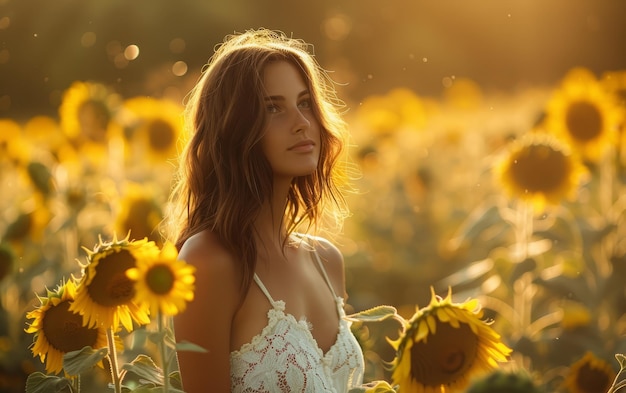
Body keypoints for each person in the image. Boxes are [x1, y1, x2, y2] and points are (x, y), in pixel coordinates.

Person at [166, 28, 365, 392]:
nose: (301, 122)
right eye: (273, 108)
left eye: (304, 102)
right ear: (233, 129)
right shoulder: (208, 261)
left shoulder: (327, 260)